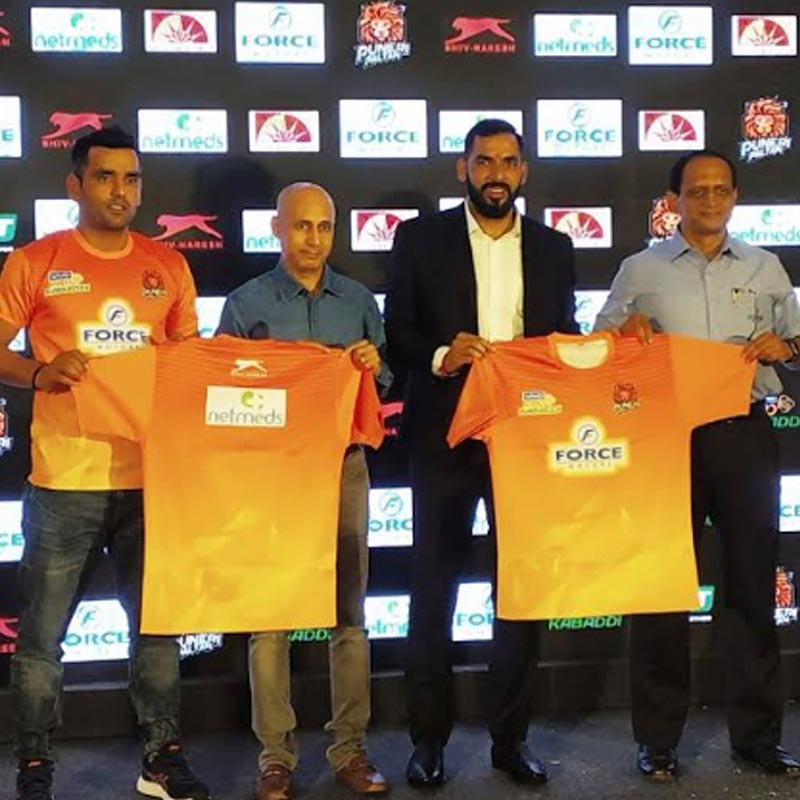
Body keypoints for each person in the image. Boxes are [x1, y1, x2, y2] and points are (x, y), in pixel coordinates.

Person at [0, 126, 209, 800]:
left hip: (151, 481)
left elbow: (189, 365)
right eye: (105, 177)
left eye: (131, 178)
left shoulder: (167, 266)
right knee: (42, 639)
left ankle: (161, 759)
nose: (120, 191)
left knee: (156, 633)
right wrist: (39, 372)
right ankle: (34, 766)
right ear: (75, 185)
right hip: (66, 482)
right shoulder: (36, 262)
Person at [595, 149, 800, 780]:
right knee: (661, 591)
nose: (709, 200)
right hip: (667, 441)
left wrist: (786, 345)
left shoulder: (767, 267)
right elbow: (600, 346)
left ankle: (757, 739)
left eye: (720, 190)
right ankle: (657, 740)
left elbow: (797, 342)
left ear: (735, 197)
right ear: (674, 201)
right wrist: (623, 332)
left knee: (751, 591)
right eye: (696, 191)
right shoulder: (640, 269)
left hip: (745, 436)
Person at [385, 118, 578, 787]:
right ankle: (427, 740)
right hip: (443, 436)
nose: (497, 173)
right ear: (462, 168)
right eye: (484, 160)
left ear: (524, 171)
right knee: (431, 588)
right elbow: (397, 332)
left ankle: (510, 740)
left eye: (508, 161)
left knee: (517, 593)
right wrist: (444, 354)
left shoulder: (554, 247)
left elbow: (564, 337)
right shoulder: (419, 238)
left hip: (523, 440)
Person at [216, 182, 391, 800]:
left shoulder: (359, 301)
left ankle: (350, 749)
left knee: (350, 614)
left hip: (343, 466)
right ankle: (275, 758)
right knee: (271, 618)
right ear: (277, 229)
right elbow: (221, 390)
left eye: (324, 227)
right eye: (301, 226)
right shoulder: (245, 304)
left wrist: (372, 366)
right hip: (272, 474)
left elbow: (384, 384)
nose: (313, 239)